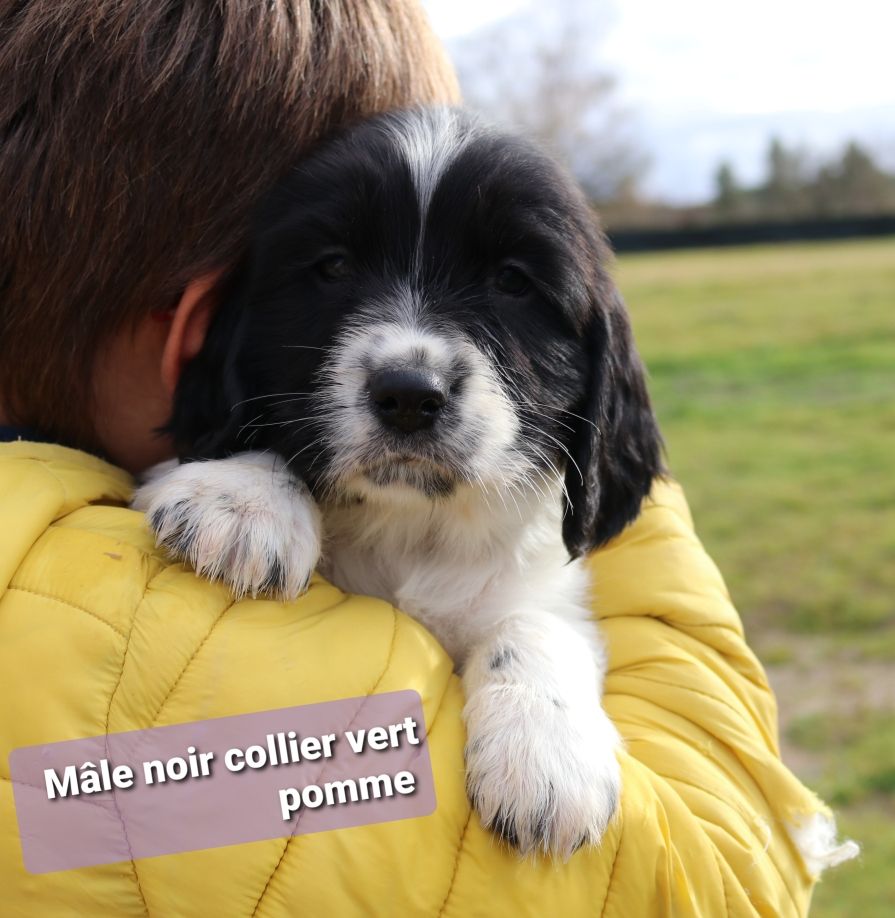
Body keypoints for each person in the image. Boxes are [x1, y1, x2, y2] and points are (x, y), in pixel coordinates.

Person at [0, 2, 854, 914]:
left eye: (513, 282)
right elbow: (716, 880)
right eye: (332, 271)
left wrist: (538, 635)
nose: (409, 359)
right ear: (207, 332)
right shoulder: (127, 721)